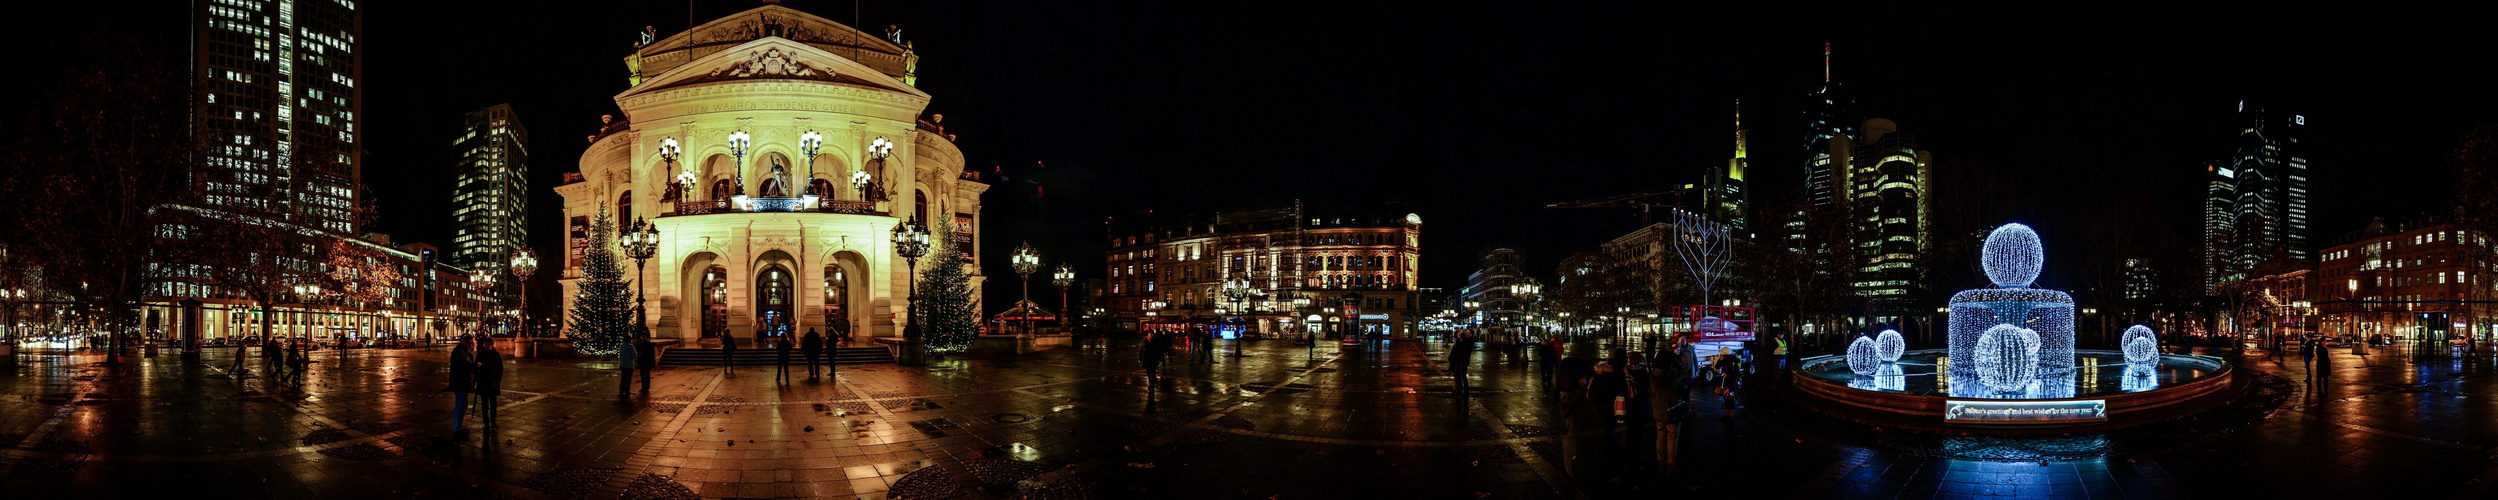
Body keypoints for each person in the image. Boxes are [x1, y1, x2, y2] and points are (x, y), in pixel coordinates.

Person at [1651, 338, 1691, 474]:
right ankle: (1671, 465)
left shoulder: (1652, 375)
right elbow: (1685, 370)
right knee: (1672, 438)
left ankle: (1660, 462)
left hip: (1658, 411)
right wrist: (1675, 358)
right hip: (1672, 410)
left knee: (1660, 437)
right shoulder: (1673, 374)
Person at [443, 335, 476, 436]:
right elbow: (463, 365)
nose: (473, 345)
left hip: (462, 382)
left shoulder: (465, 352)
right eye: (471, 343)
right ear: (466, 343)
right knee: (461, 404)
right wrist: (475, 366)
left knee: (461, 403)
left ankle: (459, 426)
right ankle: (457, 428)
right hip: (460, 382)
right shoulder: (459, 352)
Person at [475, 335, 503, 428]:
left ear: (492, 345)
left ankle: (493, 420)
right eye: (485, 344)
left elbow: (500, 369)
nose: (486, 346)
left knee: (493, 403)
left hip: (492, 382)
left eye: (488, 344)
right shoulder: (480, 354)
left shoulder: (496, 355)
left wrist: (498, 380)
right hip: (483, 381)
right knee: (484, 404)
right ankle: (486, 421)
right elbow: (476, 367)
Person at [1448, 331, 1476, 401]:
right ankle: (1459, 391)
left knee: (1463, 376)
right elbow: (1457, 346)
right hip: (1458, 359)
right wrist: (1458, 338)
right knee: (1457, 375)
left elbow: (1465, 344)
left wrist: (1461, 336)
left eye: (1468, 333)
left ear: (1471, 334)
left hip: (1463, 361)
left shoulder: (1469, 341)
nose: (1466, 333)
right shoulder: (1464, 341)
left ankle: (1466, 392)